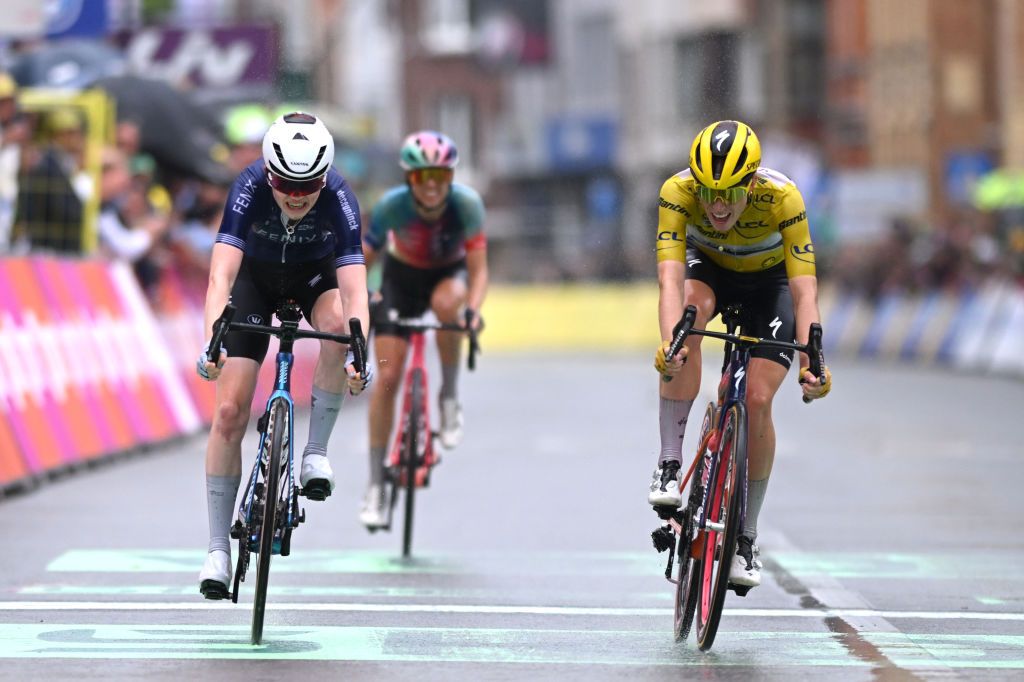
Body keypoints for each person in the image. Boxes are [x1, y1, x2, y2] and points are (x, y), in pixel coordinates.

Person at [195, 112, 371, 599]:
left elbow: (357, 294)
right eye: (285, 184)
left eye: (308, 185)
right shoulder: (248, 186)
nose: (296, 196)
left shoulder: (340, 196)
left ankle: (315, 454)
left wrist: (359, 353)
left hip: (314, 279)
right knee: (229, 412)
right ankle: (217, 549)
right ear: (269, 173)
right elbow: (220, 280)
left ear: (325, 176)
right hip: (255, 281)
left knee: (337, 326)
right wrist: (212, 341)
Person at [650, 120, 831, 589]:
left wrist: (814, 363)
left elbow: (804, 289)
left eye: (731, 191)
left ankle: (746, 536)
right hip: (707, 271)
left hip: (770, 286)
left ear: (752, 181)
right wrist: (671, 343)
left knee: (756, 398)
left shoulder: (784, 197)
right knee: (687, 326)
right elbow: (670, 280)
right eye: (709, 191)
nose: (717, 205)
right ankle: (670, 463)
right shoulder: (677, 190)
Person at [359, 130, 487, 529]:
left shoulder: (467, 205)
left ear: (451, 177)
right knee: (388, 378)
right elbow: (363, 257)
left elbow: (479, 270)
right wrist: (361, 296)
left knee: (449, 306)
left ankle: (448, 396)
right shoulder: (390, 207)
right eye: (420, 178)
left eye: (440, 177)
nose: (431, 187)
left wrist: (473, 311)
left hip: (448, 277)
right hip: (400, 280)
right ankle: (377, 485)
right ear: (407, 179)